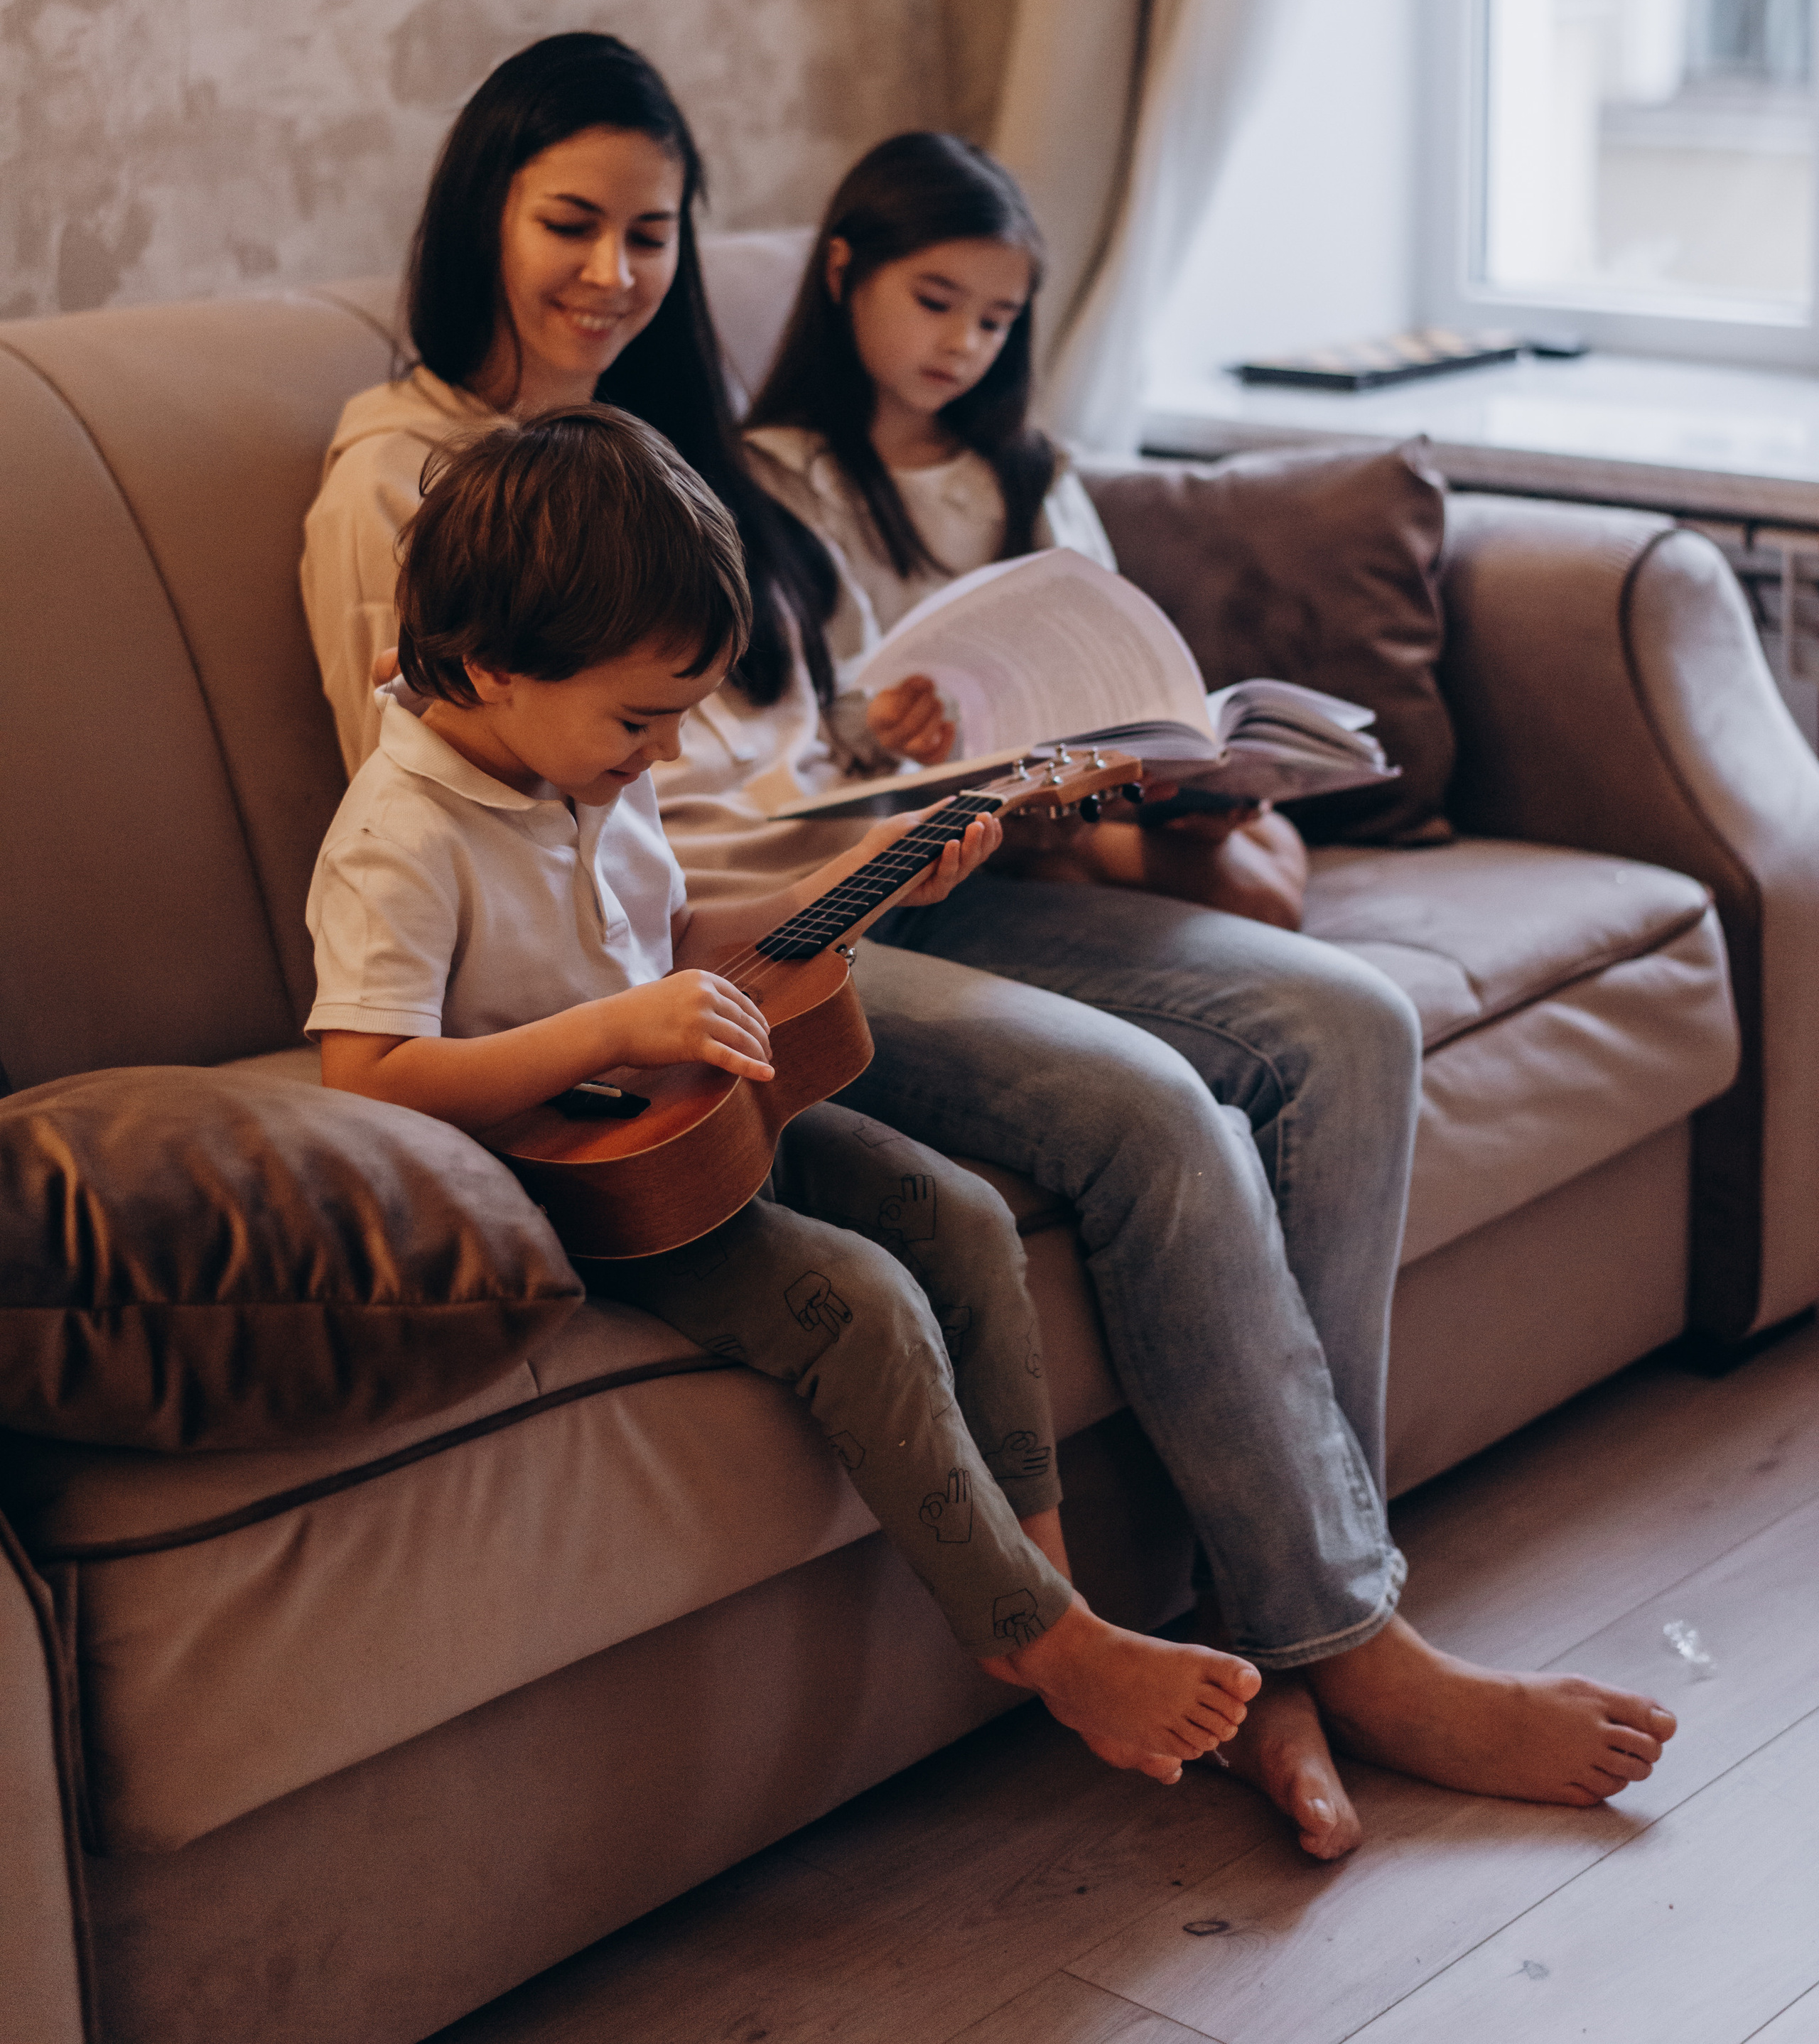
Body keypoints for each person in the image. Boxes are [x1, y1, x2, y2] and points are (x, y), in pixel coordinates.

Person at [301, 33, 1678, 1861]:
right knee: (1151, 1113)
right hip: (733, 940)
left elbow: (756, 728)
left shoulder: (677, 438)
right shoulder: (410, 488)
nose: (614, 273)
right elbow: (480, 815)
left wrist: (912, 768)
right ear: (479, 211)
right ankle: (1330, 1645)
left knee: (1346, 1023)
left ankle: (1298, 1615)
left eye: (653, 231)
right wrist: (799, 874)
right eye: (572, 222)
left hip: (846, 867)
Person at [306, 402, 1261, 1780]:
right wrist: (607, 1026)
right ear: (495, 668)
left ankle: (1043, 1586)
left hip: (685, 1108)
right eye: (641, 719)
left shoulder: (587, 759)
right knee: (860, 1302)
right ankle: (1043, 1643)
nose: (663, 754)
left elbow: (680, 934)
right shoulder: (398, 837)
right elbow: (367, 1071)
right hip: (582, 1182)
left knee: (958, 1218)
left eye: (677, 718)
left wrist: (864, 872)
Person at [744, 129, 1305, 929]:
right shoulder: (779, 478)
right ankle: (1078, 863)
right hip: (921, 803)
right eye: (935, 302)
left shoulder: (1023, 468)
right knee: (1263, 894)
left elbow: (1111, 633)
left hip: (1064, 777)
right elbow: (787, 709)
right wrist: (882, 719)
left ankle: (1105, 848)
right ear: (842, 272)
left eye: (996, 320)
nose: (963, 343)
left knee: (1268, 838)